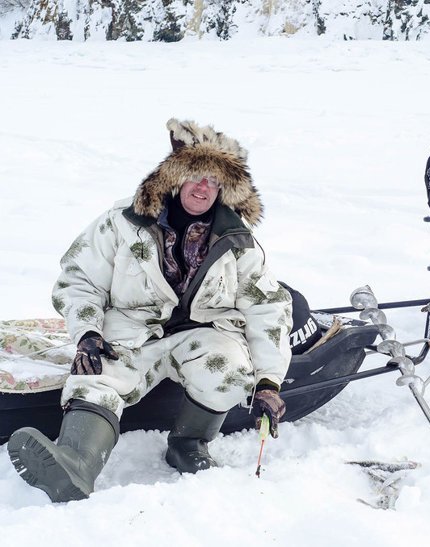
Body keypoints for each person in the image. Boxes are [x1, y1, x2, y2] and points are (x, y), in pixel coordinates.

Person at [7, 119, 293, 503]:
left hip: (204, 333)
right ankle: (75, 463)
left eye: (214, 181)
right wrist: (87, 333)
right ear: (176, 177)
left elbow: (267, 308)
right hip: (132, 328)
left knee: (231, 371)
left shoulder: (238, 242)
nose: (203, 187)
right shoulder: (121, 223)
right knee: (98, 374)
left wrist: (269, 381)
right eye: (196, 175)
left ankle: (188, 445)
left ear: (224, 189)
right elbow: (79, 280)